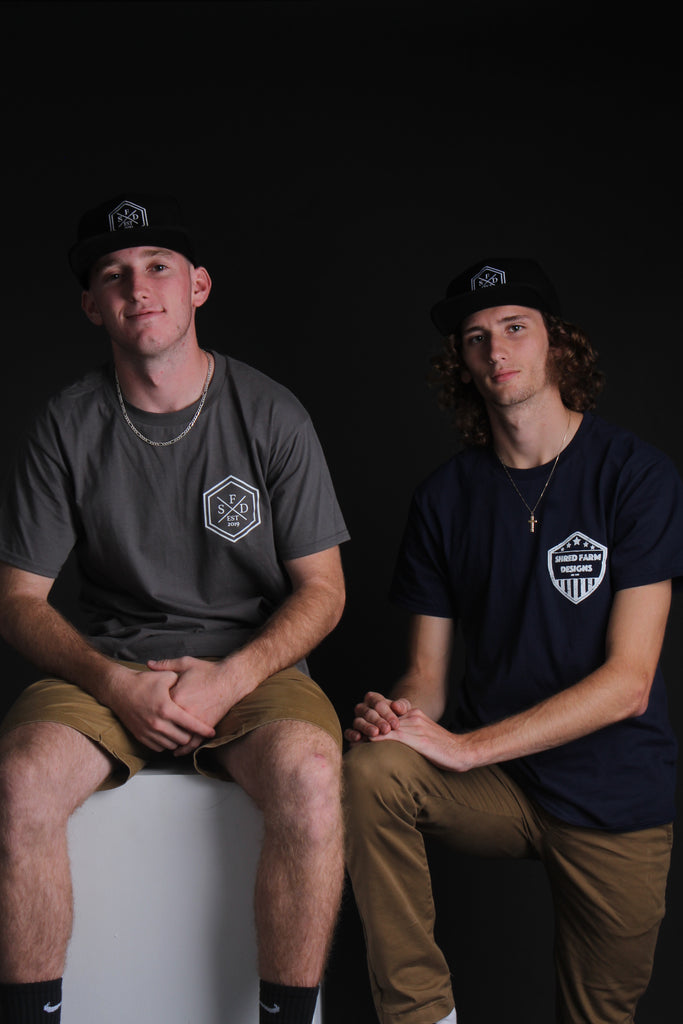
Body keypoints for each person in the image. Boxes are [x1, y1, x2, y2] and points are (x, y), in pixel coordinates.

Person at [0, 192, 349, 1024]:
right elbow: (16, 600)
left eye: (158, 266)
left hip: (250, 666)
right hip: (110, 663)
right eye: (113, 274)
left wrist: (229, 679)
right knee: (20, 783)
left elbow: (324, 589)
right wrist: (114, 684)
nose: (138, 287)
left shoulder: (270, 412)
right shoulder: (67, 423)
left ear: (198, 286)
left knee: (309, 773)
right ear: (93, 305)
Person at [343, 257, 683, 1024]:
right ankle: (421, 1016)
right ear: (460, 364)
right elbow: (426, 677)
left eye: (514, 327)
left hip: (612, 794)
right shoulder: (443, 498)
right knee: (370, 769)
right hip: (498, 788)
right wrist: (398, 717)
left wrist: (466, 748)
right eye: (474, 337)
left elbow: (628, 684)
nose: (495, 349)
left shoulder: (635, 477)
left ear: (556, 344)